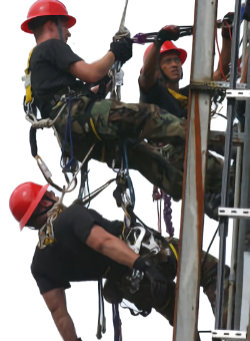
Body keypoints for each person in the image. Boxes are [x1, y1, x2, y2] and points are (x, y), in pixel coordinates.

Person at [9, 181, 229, 341]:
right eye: (48, 193)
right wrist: (141, 264)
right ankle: (230, 336)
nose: (54, 194)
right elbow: (103, 242)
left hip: (130, 285)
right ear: (42, 204)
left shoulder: (39, 264)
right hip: (144, 257)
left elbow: (58, 311)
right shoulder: (71, 217)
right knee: (212, 271)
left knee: (181, 316)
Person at [21, 0, 226, 215]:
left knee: (142, 155)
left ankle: (201, 198)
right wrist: (115, 52)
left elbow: (69, 94)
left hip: (74, 138)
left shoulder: (36, 66)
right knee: (150, 117)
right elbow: (91, 72)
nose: (68, 33)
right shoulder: (51, 47)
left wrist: (99, 89)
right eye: (66, 26)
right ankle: (218, 142)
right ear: (52, 24)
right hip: (79, 119)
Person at [138, 14, 234, 219]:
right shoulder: (152, 93)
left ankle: (222, 193)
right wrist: (158, 41)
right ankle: (212, 197)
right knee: (220, 174)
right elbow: (146, 76)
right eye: (167, 61)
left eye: (176, 60)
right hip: (171, 156)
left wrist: (227, 36)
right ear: (157, 68)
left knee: (236, 148)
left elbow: (220, 73)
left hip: (191, 144)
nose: (175, 64)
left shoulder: (186, 95)